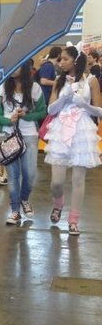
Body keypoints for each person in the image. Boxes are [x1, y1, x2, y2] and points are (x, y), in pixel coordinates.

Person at [43, 46, 102, 235]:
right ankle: (58, 203)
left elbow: (100, 111)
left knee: (78, 180)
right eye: (60, 59)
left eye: (65, 59)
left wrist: (84, 105)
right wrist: (65, 97)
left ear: (75, 61)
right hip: (61, 129)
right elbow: (50, 110)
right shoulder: (59, 81)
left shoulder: (91, 80)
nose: (60, 62)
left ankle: (74, 220)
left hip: (82, 129)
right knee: (57, 182)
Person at [0, 61, 46, 225]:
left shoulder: (35, 88)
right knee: (13, 176)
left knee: (30, 174)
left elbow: (42, 111)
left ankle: (24, 199)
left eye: (17, 65)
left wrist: (27, 116)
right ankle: (15, 210)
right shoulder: (1, 88)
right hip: (8, 136)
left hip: (29, 135)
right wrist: (9, 120)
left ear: (25, 67)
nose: (13, 68)